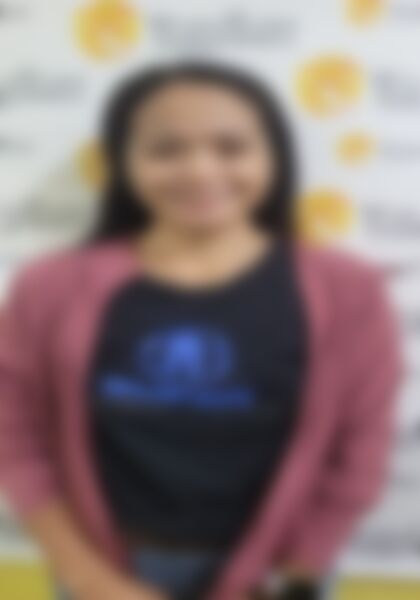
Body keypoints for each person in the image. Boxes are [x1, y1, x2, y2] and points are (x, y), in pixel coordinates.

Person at [0, 63, 401, 600]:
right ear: (124, 161)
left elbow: (360, 452)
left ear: (273, 156)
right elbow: (15, 437)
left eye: (231, 147)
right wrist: (90, 579)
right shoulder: (50, 287)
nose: (199, 170)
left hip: (274, 575)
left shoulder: (348, 291)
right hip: (103, 570)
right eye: (166, 149)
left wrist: (289, 573)